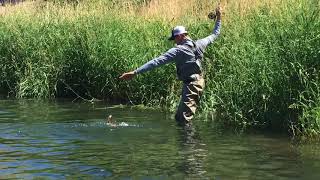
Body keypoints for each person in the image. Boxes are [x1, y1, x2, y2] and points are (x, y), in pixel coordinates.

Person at [119, 6, 222, 125]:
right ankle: (186, 141)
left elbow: (156, 61)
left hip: (192, 85)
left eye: (175, 38)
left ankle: (191, 143)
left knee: (184, 121)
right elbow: (215, 34)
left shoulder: (178, 50)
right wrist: (219, 18)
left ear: (180, 36)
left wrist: (135, 72)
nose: (174, 41)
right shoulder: (200, 43)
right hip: (196, 82)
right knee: (179, 118)